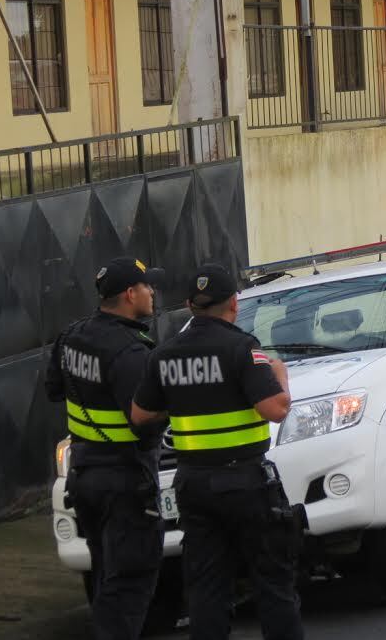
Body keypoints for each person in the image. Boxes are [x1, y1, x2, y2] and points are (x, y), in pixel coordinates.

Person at [131, 264, 302, 640]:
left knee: (207, 587)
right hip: (246, 482)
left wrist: (183, 399)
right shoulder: (243, 348)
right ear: (234, 304)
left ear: (190, 306)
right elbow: (275, 408)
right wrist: (280, 375)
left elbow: (140, 415)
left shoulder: (164, 355)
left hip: (193, 484)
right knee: (272, 581)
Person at [46, 257, 166, 640]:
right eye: (147, 286)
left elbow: (54, 390)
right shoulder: (131, 352)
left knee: (106, 577)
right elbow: (143, 421)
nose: (152, 293)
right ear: (130, 294)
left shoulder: (71, 336)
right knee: (129, 581)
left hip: (85, 479)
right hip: (125, 483)